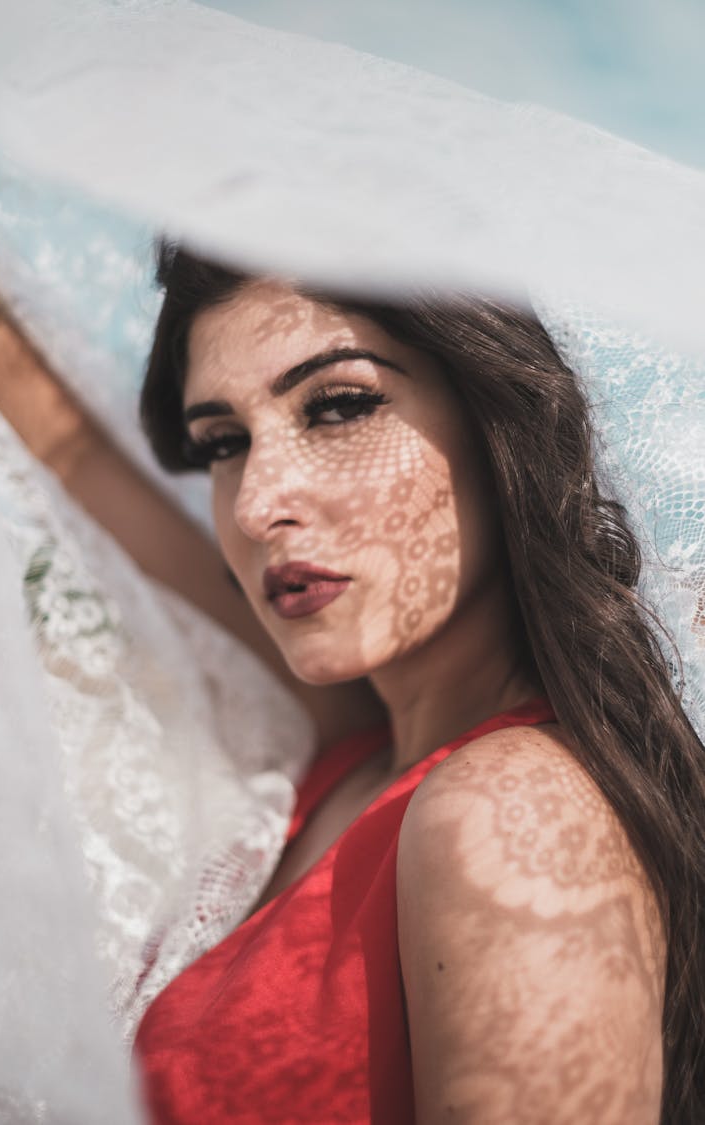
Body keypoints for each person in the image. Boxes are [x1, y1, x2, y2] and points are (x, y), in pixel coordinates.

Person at [129, 244, 705, 1125]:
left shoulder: (515, 810)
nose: (254, 504)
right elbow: (90, 483)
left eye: (340, 406)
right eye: (224, 442)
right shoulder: (345, 756)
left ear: (496, 421)